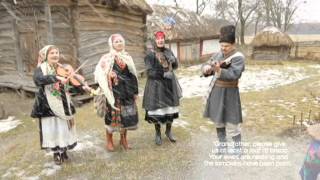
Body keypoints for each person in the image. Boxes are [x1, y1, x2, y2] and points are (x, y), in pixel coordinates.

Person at [31, 45, 88, 165]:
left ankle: (64, 149)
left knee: (63, 128)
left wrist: (82, 86)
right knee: (53, 129)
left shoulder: (62, 68)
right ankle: (56, 152)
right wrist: (55, 77)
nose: (55, 55)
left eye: (57, 52)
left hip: (63, 102)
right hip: (47, 105)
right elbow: (38, 80)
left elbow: (71, 84)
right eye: (52, 53)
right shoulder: (41, 68)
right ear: (46, 55)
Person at [201, 25, 245, 155]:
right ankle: (222, 145)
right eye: (221, 45)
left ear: (233, 44)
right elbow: (207, 64)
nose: (223, 48)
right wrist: (206, 69)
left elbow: (234, 74)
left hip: (230, 93)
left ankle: (237, 148)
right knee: (218, 120)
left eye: (226, 46)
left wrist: (219, 70)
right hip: (216, 92)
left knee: (232, 122)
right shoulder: (218, 54)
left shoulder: (238, 57)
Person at [94, 34, 139, 151]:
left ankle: (123, 139)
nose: (119, 43)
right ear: (112, 44)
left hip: (127, 90)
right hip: (113, 92)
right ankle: (109, 140)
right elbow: (99, 74)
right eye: (116, 42)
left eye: (121, 41)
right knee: (111, 117)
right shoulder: (107, 58)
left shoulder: (127, 57)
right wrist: (108, 74)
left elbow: (133, 75)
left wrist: (135, 92)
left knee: (126, 117)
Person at [143, 31, 182, 145]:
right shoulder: (150, 54)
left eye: (162, 39)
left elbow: (174, 66)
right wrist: (163, 74)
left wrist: (174, 61)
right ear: (155, 40)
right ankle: (158, 133)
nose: (160, 40)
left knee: (170, 108)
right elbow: (149, 72)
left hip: (169, 84)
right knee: (158, 110)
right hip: (156, 85)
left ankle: (168, 132)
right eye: (158, 39)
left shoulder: (168, 51)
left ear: (164, 40)